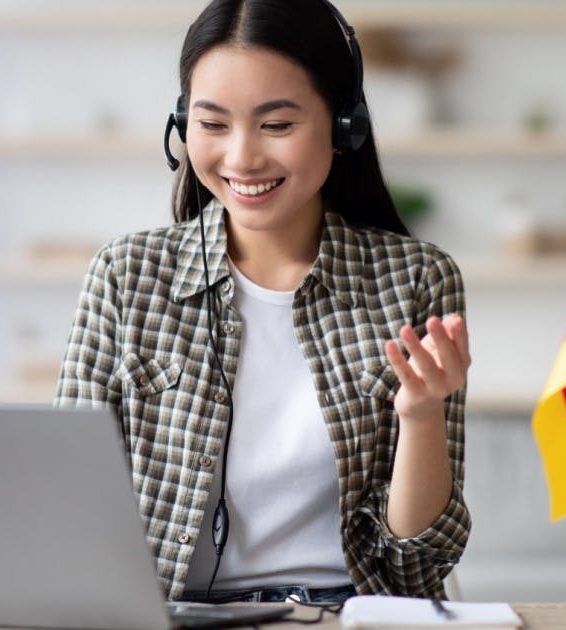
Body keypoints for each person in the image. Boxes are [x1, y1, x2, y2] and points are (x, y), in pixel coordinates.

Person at [55, 0, 471, 604]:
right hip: (167, 617)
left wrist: (421, 416)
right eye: (214, 124)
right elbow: (66, 514)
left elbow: (414, 572)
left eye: (277, 125)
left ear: (342, 126)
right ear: (182, 127)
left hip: (340, 615)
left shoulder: (416, 280)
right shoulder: (125, 277)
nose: (243, 157)